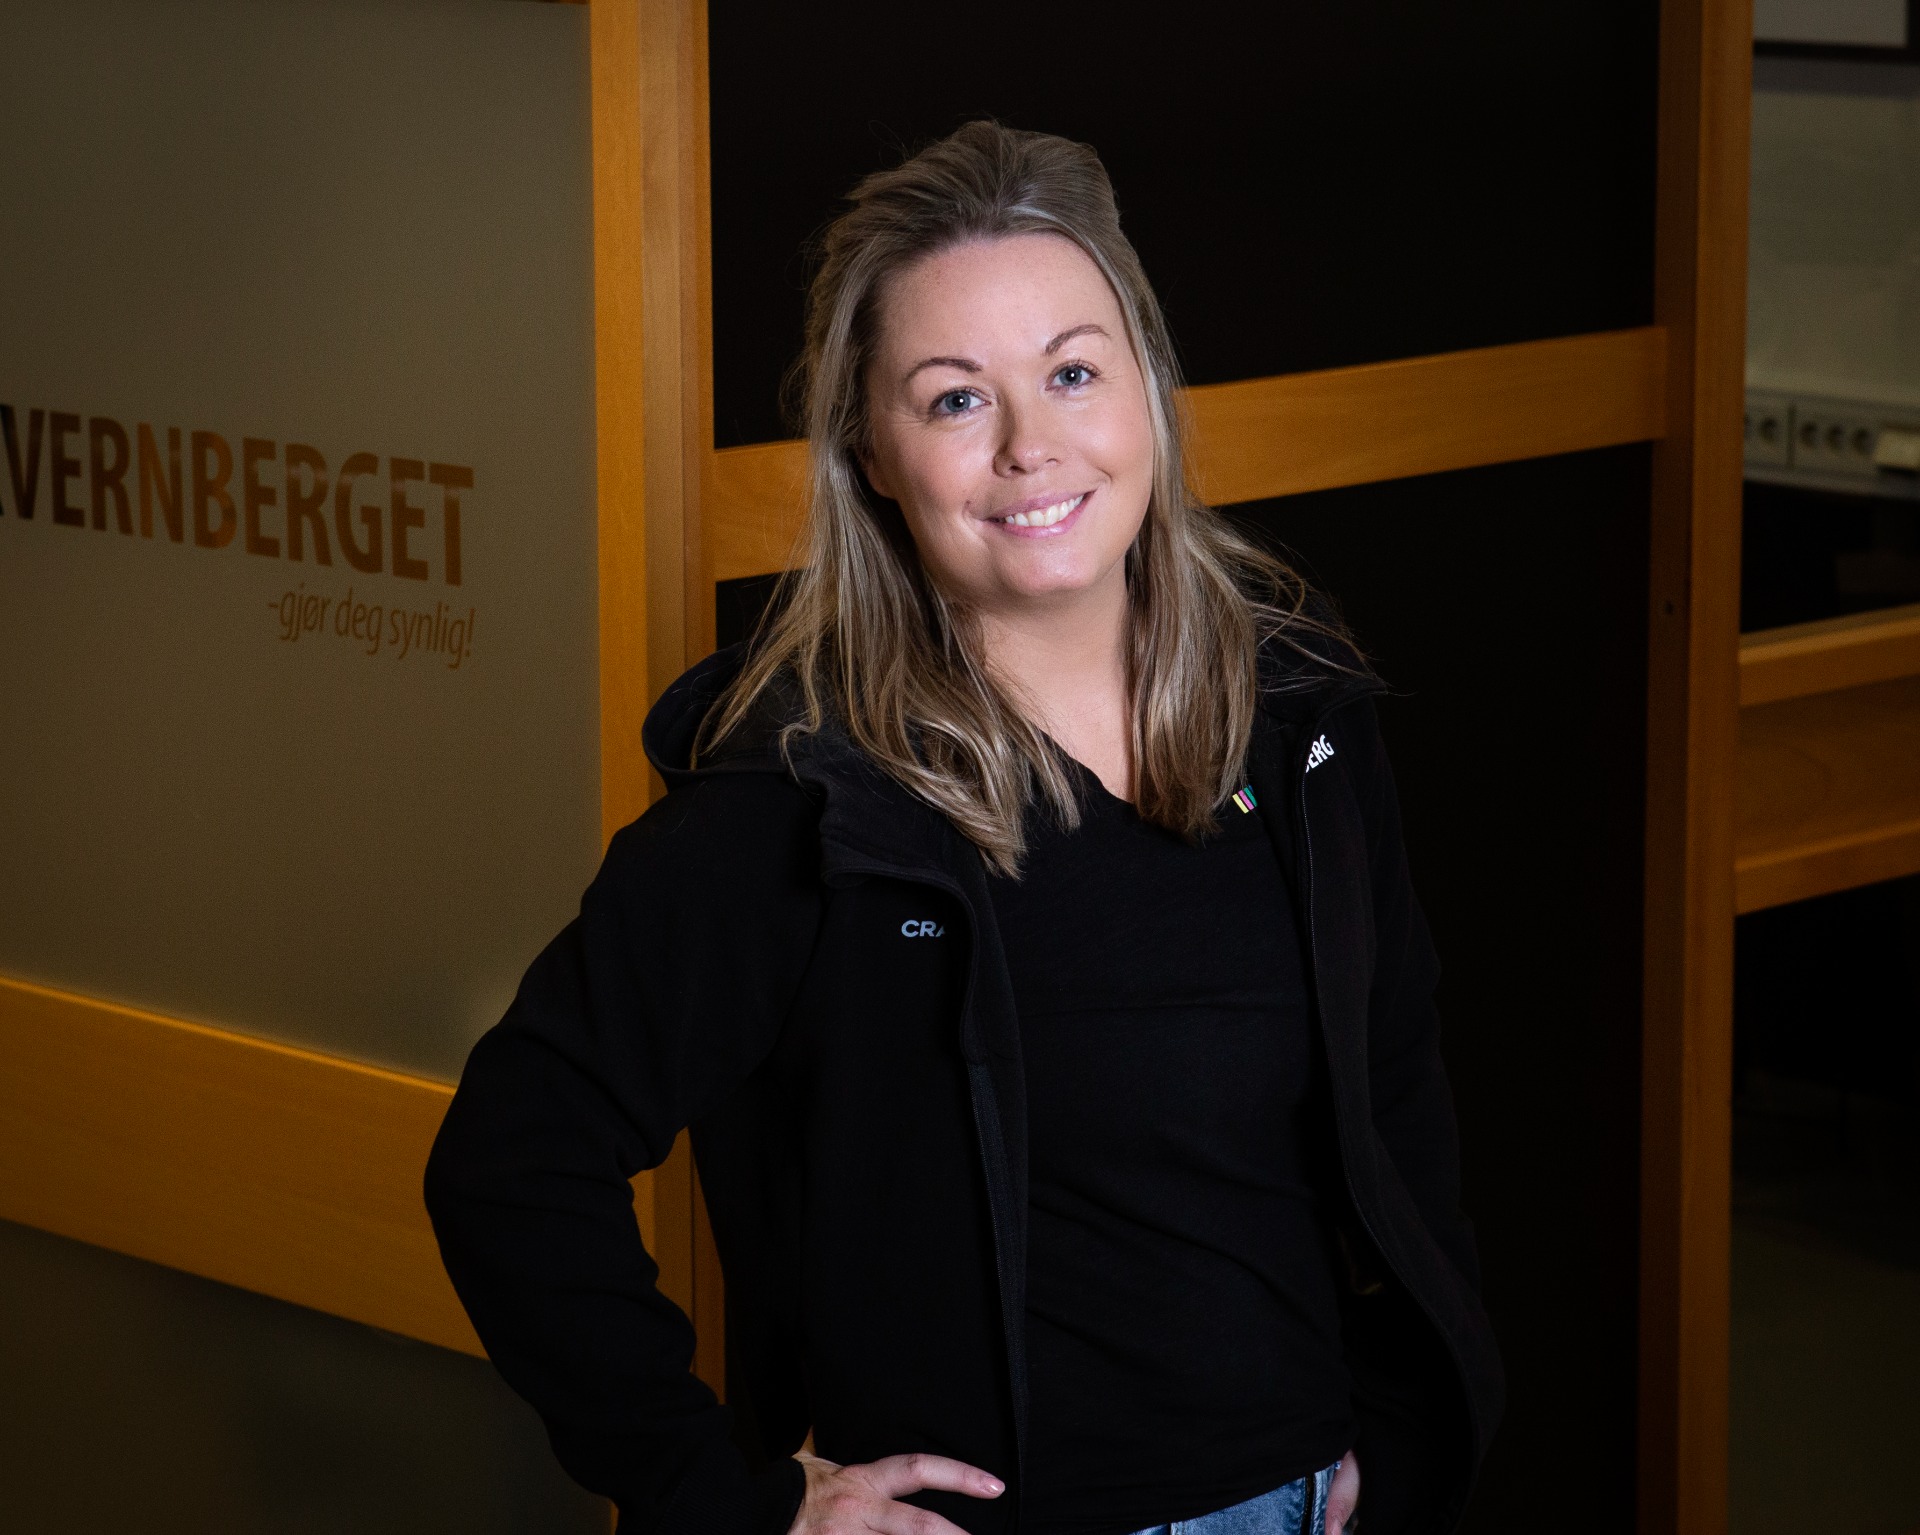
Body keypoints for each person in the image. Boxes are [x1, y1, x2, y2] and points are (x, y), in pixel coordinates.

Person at [425, 121, 1502, 1535]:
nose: (1029, 446)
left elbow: (1396, 1080)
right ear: (871, 454)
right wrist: (728, 1500)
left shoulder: (1296, 715)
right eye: (952, 400)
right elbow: (515, 1158)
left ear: (1147, 388)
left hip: (1309, 1503)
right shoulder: (807, 797)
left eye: (1072, 372)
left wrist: (1407, 1421)